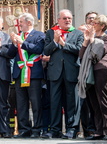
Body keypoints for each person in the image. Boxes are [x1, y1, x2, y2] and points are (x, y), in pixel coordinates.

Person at [42, 9, 83, 139]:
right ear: (59, 20)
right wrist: (54, 41)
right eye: (64, 18)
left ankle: (72, 129)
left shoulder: (77, 33)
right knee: (55, 102)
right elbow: (46, 51)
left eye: (69, 18)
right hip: (55, 73)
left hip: (71, 71)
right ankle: (55, 129)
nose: (67, 20)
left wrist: (63, 44)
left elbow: (79, 50)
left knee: (72, 102)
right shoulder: (50, 32)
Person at [7, 13, 45, 138]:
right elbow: (10, 54)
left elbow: (38, 49)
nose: (19, 24)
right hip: (19, 73)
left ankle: (37, 129)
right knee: (21, 103)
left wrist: (22, 42)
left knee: (35, 102)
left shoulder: (39, 35)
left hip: (33, 73)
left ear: (29, 22)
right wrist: (14, 44)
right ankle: (24, 129)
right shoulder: (19, 36)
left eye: (21, 22)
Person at [78, 15, 107, 140]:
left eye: (96, 23)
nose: (93, 25)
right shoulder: (91, 38)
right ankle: (99, 131)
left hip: (101, 70)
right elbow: (81, 55)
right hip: (89, 71)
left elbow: (99, 53)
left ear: (102, 25)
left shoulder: (106, 37)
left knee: (103, 101)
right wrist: (86, 40)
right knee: (94, 102)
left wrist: (92, 39)